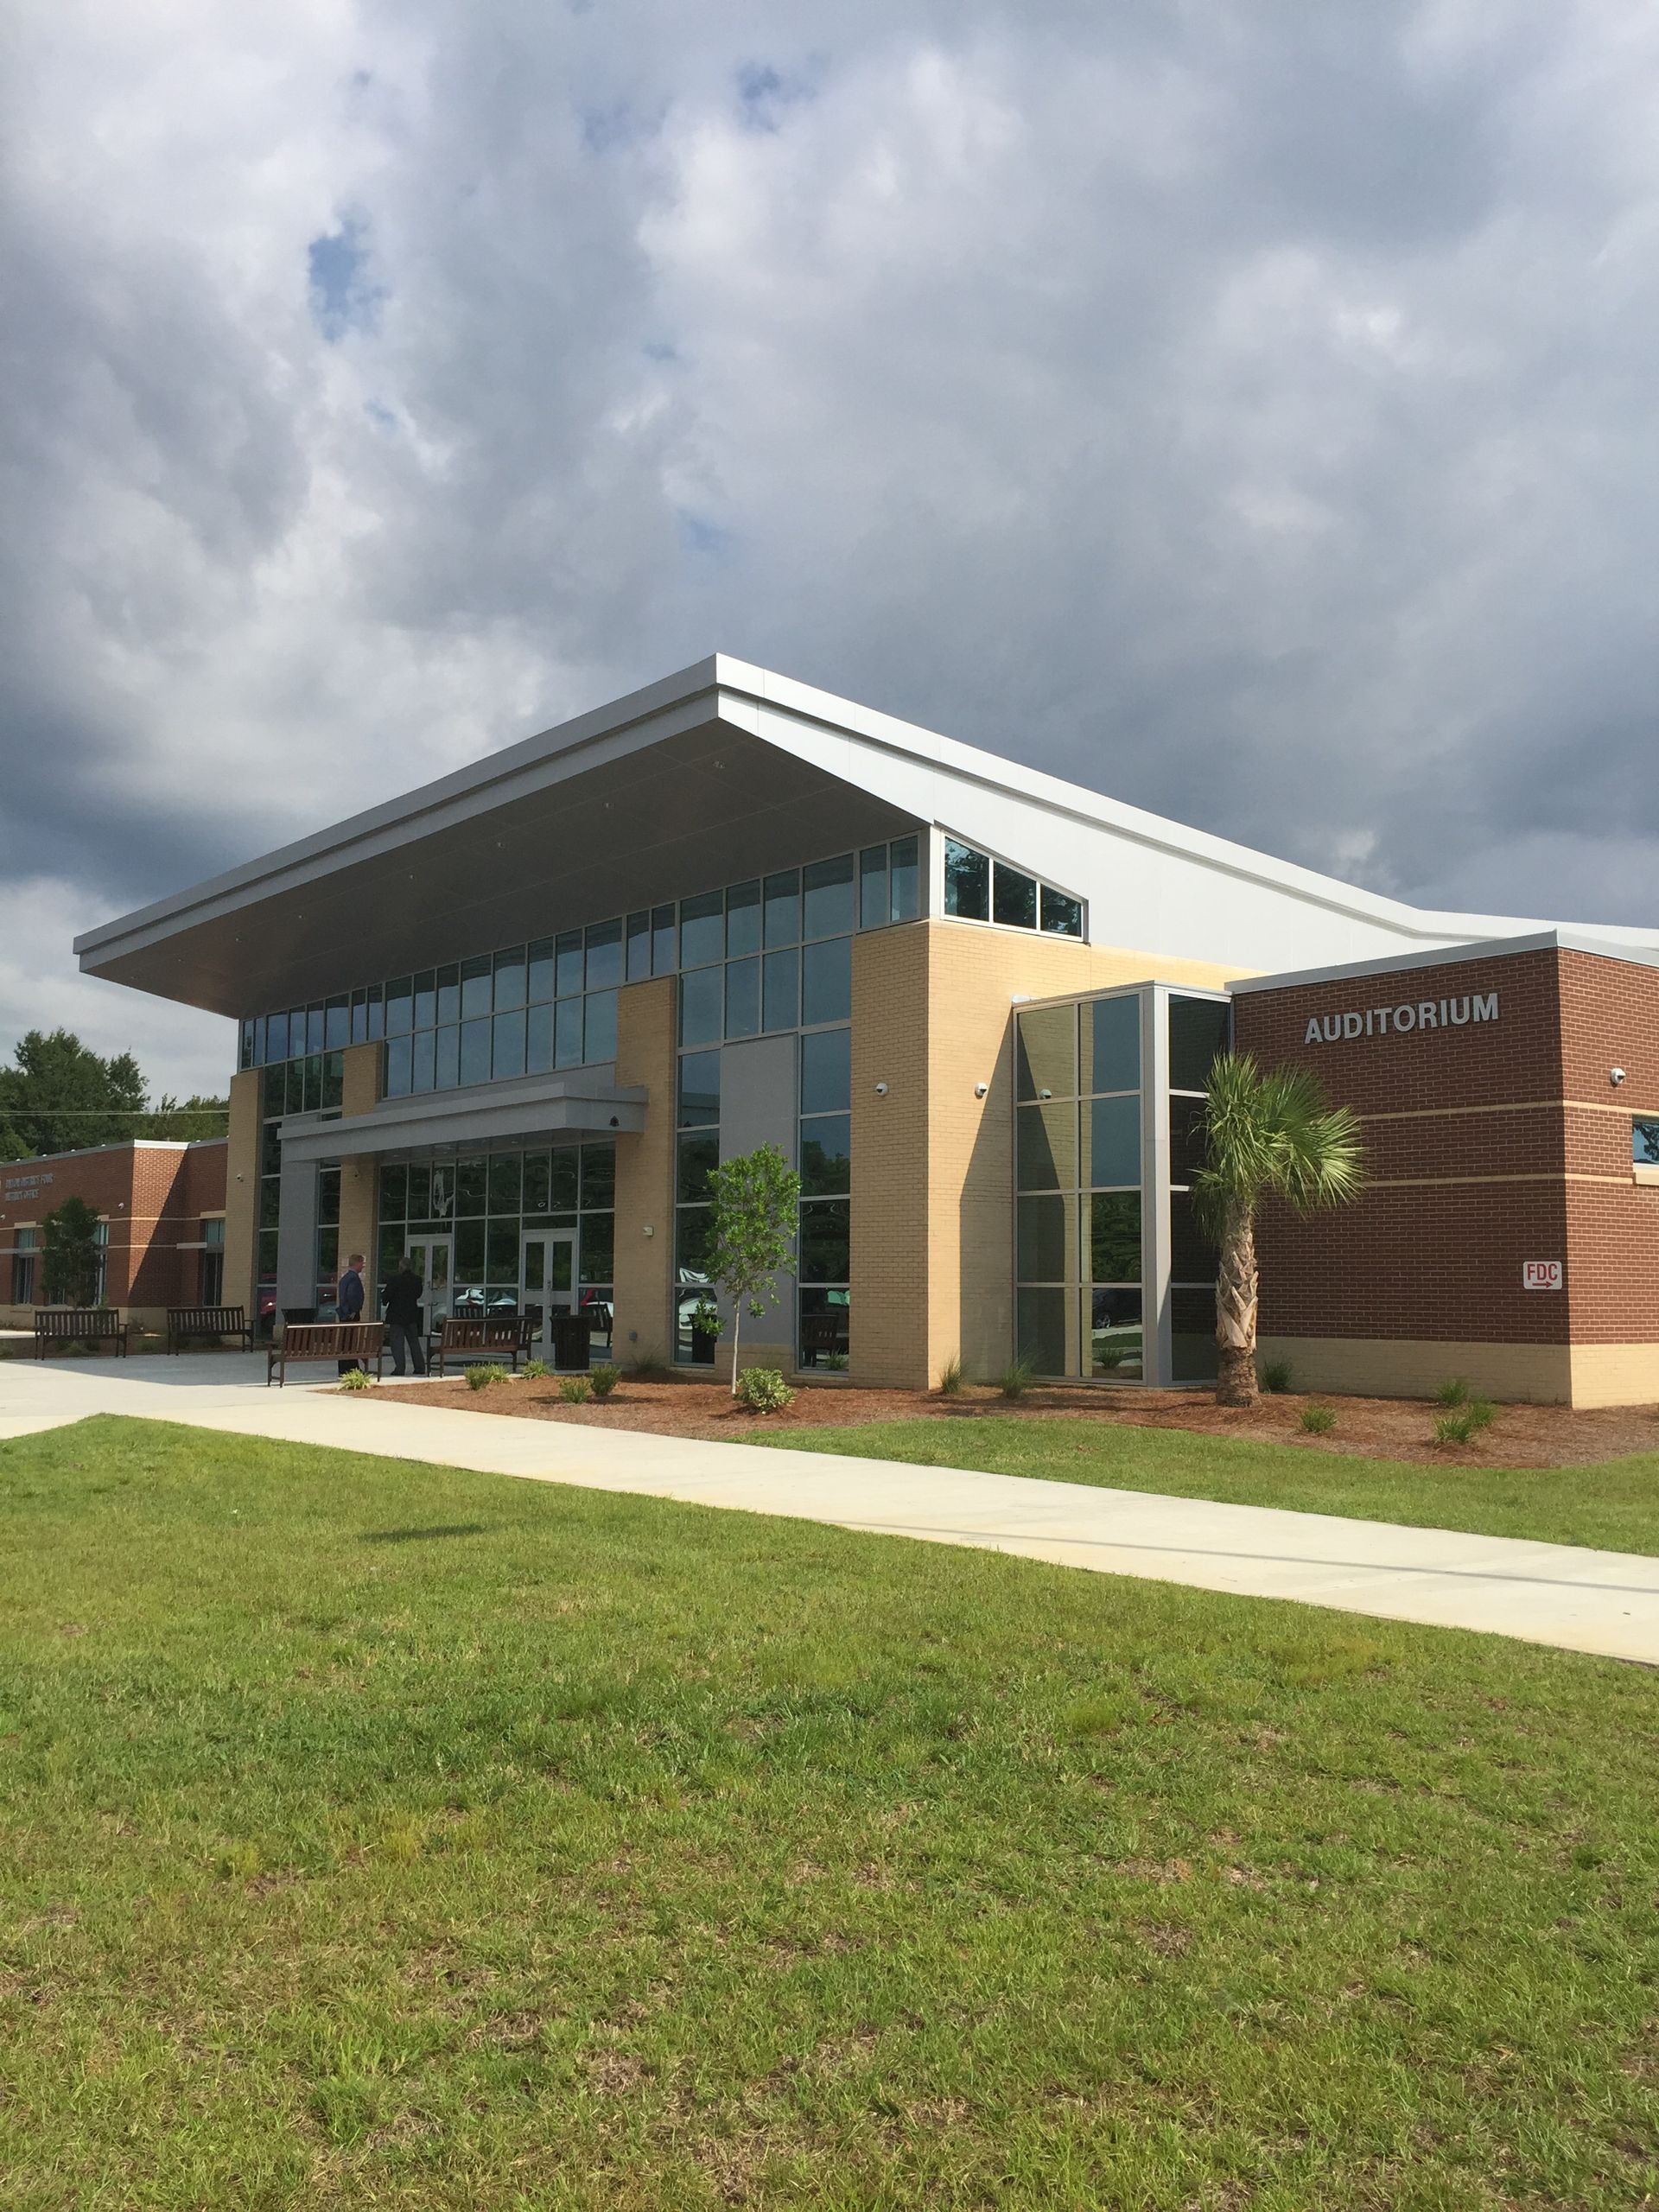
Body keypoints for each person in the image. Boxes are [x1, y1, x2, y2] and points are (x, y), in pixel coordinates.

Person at [384, 1255, 428, 1377]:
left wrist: (385, 1300)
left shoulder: (394, 1280)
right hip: (411, 1315)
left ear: (401, 1267)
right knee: (414, 1342)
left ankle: (400, 1368)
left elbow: (387, 1296)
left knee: (397, 1343)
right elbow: (418, 1295)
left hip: (396, 1315)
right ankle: (419, 1367)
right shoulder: (417, 1280)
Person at [336, 1251, 365, 1374]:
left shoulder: (344, 1278)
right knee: (351, 1342)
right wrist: (354, 1310)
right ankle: (352, 1367)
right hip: (351, 1314)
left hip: (343, 1313)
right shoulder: (354, 1278)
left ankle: (344, 1368)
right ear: (357, 1264)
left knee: (344, 1342)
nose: (363, 1266)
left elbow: (343, 1296)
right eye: (362, 1264)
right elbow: (352, 1295)